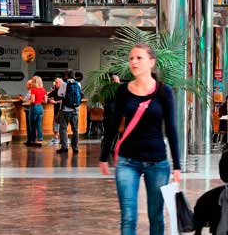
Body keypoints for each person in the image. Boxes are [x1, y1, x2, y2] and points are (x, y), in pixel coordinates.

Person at [99, 43, 181, 235]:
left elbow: (171, 128)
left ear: (151, 62)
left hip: (157, 162)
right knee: (128, 216)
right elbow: (113, 124)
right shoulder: (123, 91)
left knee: (156, 216)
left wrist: (177, 165)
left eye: (139, 58)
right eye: (131, 58)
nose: (134, 62)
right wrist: (104, 156)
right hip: (128, 161)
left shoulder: (164, 91)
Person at [57, 70, 82, 154]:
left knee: (63, 129)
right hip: (75, 110)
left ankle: (64, 147)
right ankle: (75, 148)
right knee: (75, 129)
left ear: (67, 75)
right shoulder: (78, 83)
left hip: (65, 110)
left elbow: (59, 94)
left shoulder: (64, 84)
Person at [28, 76, 47, 145]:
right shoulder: (43, 90)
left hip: (34, 107)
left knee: (32, 125)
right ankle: (40, 139)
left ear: (34, 82)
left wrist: (29, 101)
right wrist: (39, 100)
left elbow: (32, 100)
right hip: (40, 108)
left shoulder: (33, 89)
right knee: (38, 124)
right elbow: (45, 101)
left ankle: (33, 139)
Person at [47, 78, 64, 144]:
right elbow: (47, 95)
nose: (55, 83)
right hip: (56, 110)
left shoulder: (64, 90)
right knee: (55, 123)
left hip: (63, 110)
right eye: (55, 82)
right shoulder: (56, 90)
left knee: (63, 124)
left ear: (60, 83)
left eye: (56, 82)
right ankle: (56, 137)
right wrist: (49, 100)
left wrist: (57, 102)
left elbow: (65, 99)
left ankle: (63, 139)